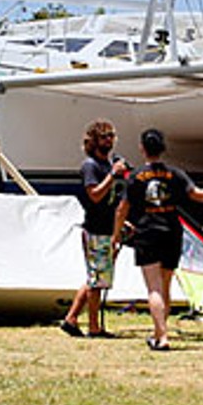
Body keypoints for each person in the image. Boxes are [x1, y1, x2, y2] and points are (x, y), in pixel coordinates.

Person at [111, 128, 203, 352]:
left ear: (142, 148)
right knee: (165, 286)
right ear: (162, 148)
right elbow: (200, 196)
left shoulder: (135, 177)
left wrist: (116, 235)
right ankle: (159, 332)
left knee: (153, 289)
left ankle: (162, 337)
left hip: (148, 232)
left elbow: (122, 209)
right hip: (172, 230)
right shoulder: (175, 174)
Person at [60, 119, 129, 338]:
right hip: (95, 230)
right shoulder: (90, 166)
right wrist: (113, 175)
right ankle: (93, 327)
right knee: (97, 280)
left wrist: (121, 223)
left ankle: (71, 319)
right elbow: (95, 195)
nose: (109, 140)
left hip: (107, 227)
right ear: (94, 140)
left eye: (112, 136)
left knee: (95, 278)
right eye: (104, 136)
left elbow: (111, 200)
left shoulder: (108, 164)